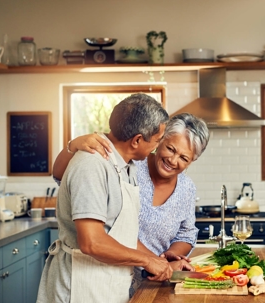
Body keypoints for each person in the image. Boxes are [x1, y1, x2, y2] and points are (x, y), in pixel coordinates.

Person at [53, 113, 210, 296]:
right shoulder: (130, 164)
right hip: (106, 273)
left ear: (192, 161)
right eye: (170, 149)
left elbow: (186, 232)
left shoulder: (187, 188)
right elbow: (62, 175)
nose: (173, 161)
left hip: (156, 277)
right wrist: (73, 145)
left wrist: (167, 258)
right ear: (160, 140)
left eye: (184, 158)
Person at [37, 94, 173, 303]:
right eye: (156, 141)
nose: (156, 148)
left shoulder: (127, 167)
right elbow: (92, 242)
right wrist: (146, 261)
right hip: (80, 287)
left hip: (107, 284)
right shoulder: (92, 165)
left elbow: (120, 235)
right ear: (137, 140)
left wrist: (159, 261)